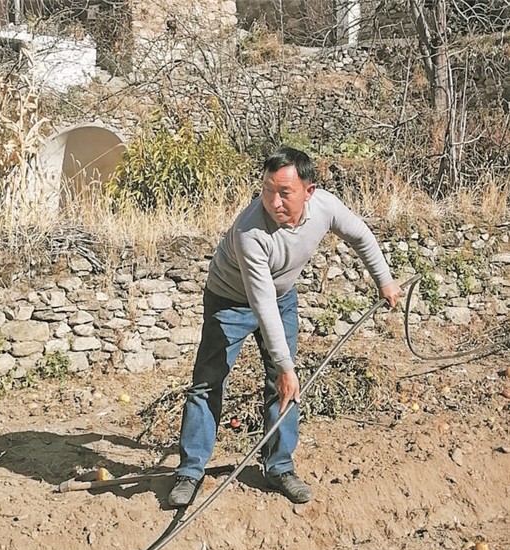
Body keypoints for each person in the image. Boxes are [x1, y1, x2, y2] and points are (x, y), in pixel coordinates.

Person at [168, 147, 401, 507]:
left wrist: (384, 280)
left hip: (281, 297)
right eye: (267, 190)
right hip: (229, 300)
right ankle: (190, 471)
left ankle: (279, 467)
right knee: (208, 382)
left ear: (309, 191)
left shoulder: (325, 207)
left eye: (284, 193)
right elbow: (260, 303)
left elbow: (360, 235)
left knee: (282, 387)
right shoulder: (250, 231)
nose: (273, 201)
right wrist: (286, 367)